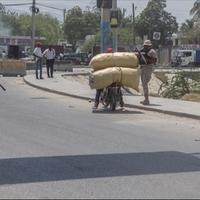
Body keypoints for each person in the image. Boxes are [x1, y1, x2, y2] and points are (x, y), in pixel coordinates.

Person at [139, 40, 157, 105]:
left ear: (149, 46)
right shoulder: (142, 51)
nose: (145, 47)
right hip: (143, 68)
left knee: (144, 83)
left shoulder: (152, 52)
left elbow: (154, 61)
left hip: (148, 68)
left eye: (146, 46)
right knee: (143, 84)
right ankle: (146, 99)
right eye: (144, 46)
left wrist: (146, 58)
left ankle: (147, 99)